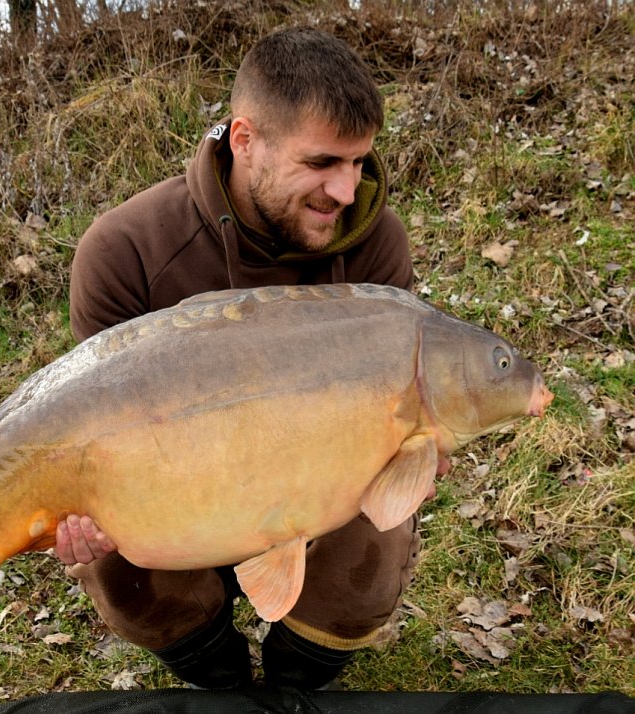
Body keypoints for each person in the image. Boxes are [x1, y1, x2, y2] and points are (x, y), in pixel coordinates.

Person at [54, 26, 436, 691]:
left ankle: (297, 681)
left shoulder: (375, 245)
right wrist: (73, 511)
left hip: (317, 491)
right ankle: (218, 678)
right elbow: (90, 431)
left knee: (385, 528)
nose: (346, 192)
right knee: (108, 551)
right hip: (176, 500)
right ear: (244, 140)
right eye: (321, 164)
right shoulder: (124, 251)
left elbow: (404, 401)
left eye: (358, 163)